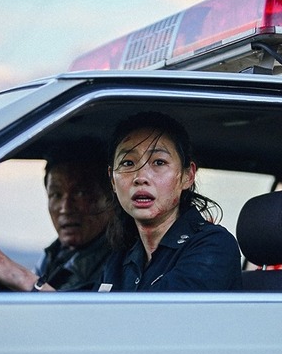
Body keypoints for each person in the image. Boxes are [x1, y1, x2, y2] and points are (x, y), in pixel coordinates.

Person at [98, 112, 242, 291]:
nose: (141, 177)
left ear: (187, 176)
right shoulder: (119, 259)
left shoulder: (215, 246)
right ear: (112, 180)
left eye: (159, 162)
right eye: (128, 163)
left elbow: (162, 309)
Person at [0, 143, 112, 291]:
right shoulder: (56, 254)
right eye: (56, 195)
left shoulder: (117, 266)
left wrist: (12, 271)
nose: (65, 208)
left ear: (110, 198)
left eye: (81, 193)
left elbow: (81, 314)